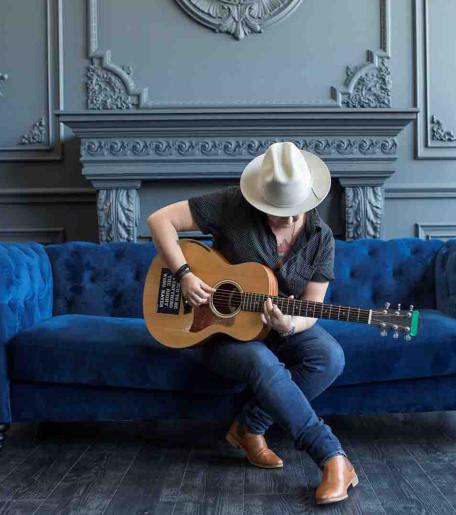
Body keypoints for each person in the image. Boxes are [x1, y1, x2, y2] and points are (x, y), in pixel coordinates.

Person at [147, 141, 358, 505]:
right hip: (216, 331)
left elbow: (312, 306)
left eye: (297, 210)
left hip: (276, 329)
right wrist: (183, 274)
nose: (290, 220)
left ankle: (249, 427)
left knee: (329, 357)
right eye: (279, 211)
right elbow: (159, 219)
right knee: (261, 361)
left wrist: (289, 326)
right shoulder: (232, 205)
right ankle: (331, 457)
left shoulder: (321, 238)